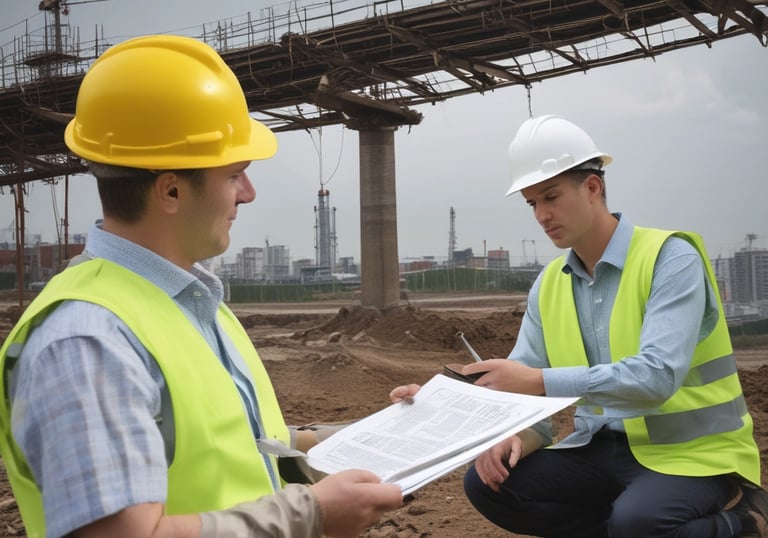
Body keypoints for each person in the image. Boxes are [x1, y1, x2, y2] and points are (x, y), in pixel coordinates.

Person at [0, 35, 402, 538]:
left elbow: (231, 447)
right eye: (235, 174)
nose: (248, 193)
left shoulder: (189, 298)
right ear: (171, 189)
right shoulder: (87, 340)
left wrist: (370, 436)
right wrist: (311, 514)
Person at [391, 115, 767, 537]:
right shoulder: (550, 284)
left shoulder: (670, 258)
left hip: (694, 454)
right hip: (599, 449)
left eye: (551, 196)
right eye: (532, 203)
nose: (542, 214)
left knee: (638, 523)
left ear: (593, 187)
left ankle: (745, 523)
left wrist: (538, 381)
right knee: (488, 484)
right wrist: (465, 412)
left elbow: (657, 377)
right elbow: (522, 394)